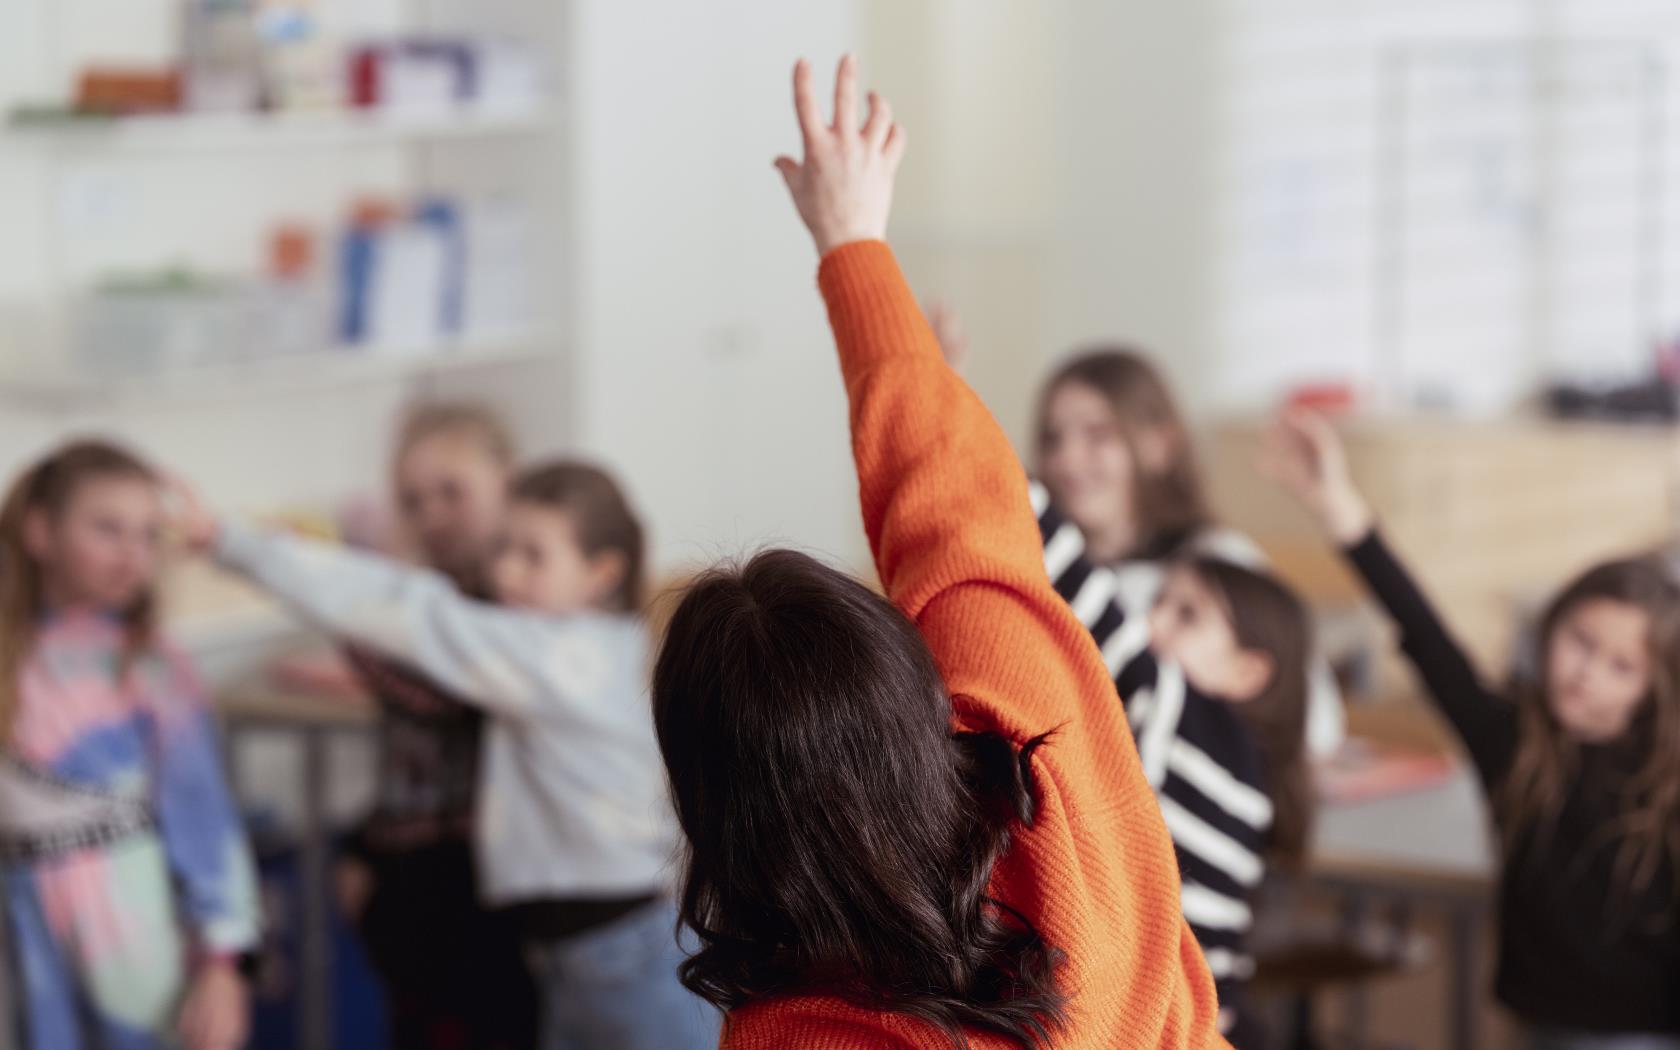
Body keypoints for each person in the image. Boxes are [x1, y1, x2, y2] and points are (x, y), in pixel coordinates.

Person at [648, 55, 1227, 1048]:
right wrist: (852, 244)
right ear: (901, 675)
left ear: (717, 806)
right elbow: (949, 489)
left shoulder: (802, 1035)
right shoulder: (1019, 721)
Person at [174, 461, 717, 1050]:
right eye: (504, 547)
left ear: (601, 572)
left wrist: (234, 542)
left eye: (534, 556)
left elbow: (406, 610)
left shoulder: (559, 659)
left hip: (620, 951)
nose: (506, 570)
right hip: (581, 950)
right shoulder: (599, 650)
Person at [1264, 409, 1680, 1050]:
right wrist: (1340, 507)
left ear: (1654, 689)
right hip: (1536, 1025)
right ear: (1552, 628)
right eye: (1580, 641)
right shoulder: (1514, 743)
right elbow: (1428, 640)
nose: (1588, 674)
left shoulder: (1665, 777)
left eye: (1621, 666)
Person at [0, 440, 259, 1050]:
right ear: (40, 532)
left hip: (130, 935)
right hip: (25, 935)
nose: (132, 555)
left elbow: (203, 818)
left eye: (148, 535)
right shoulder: (13, 660)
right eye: (107, 530)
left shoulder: (150, 669)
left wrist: (222, 962)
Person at [1035, 481, 1310, 1044]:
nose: (1156, 623)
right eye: (1159, 602)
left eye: (1187, 616)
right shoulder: (1244, 767)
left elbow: (1099, 615)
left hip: (1171, 1021)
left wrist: (1022, 491)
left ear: (1246, 672)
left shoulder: (1193, 720)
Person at [339, 403, 537, 1050]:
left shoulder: (521, 608)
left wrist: (372, 603)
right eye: (412, 500)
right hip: (411, 887)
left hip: (490, 901)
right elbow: (413, 757)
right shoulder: (426, 606)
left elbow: (450, 700)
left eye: (452, 491)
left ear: (508, 481)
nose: (432, 516)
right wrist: (363, 846)